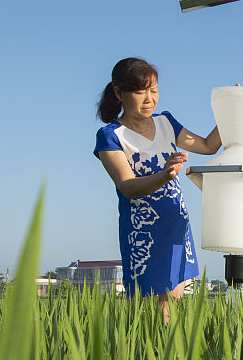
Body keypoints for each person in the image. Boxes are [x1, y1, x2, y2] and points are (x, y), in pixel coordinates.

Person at [93, 57, 221, 316]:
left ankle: (171, 357)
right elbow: (127, 186)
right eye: (140, 92)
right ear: (119, 93)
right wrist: (164, 175)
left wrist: (235, 110)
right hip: (143, 235)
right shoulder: (110, 136)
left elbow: (208, 146)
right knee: (147, 314)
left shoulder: (166, 122)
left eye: (154, 90)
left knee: (173, 309)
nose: (149, 98)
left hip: (176, 228)